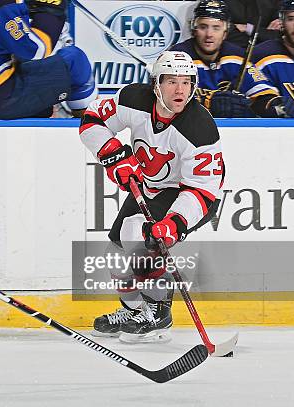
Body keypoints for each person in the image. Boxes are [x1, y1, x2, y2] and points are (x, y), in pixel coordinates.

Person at [79, 51, 224, 341]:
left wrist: (174, 223)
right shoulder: (134, 99)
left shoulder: (199, 127)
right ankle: (134, 311)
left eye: (186, 82)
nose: (180, 89)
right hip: (148, 186)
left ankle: (158, 312)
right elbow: (92, 119)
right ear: (156, 84)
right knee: (115, 257)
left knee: (138, 241)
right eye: (171, 81)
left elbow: (204, 189)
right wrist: (115, 156)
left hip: (189, 195)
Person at [171, 0, 294, 118]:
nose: (209, 34)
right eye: (203, 27)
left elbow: (261, 91)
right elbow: (164, 98)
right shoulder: (177, 56)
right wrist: (207, 103)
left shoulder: (237, 56)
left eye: (216, 28)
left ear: (225, 32)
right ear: (194, 29)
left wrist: (276, 104)